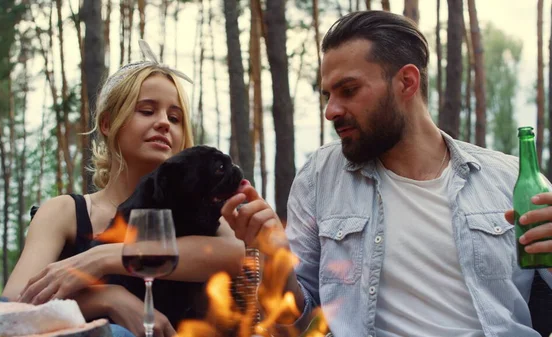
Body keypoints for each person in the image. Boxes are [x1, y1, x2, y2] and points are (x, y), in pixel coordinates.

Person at [224, 10, 552, 337]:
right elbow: (296, 324)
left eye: (348, 90)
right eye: (328, 95)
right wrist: (273, 256)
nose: (330, 111)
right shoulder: (320, 177)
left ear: (406, 82)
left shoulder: (508, 177)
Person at [2, 41, 246, 337]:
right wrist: (111, 299)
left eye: (175, 118)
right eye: (146, 110)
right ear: (107, 123)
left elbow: (235, 255)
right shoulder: (67, 212)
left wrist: (102, 258)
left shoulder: (201, 214)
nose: (163, 124)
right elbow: (14, 301)